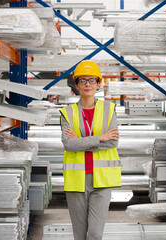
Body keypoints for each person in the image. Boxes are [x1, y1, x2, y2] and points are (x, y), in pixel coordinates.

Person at [59, 60, 121, 240]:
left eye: (92, 80)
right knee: (79, 235)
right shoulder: (67, 112)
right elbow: (68, 144)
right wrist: (99, 138)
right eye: (83, 80)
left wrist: (80, 142)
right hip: (76, 180)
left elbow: (112, 143)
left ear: (99, 83)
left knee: (94, 234)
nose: (88, 84)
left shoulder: (109, 109)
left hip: (102, 180)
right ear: (76, 85)